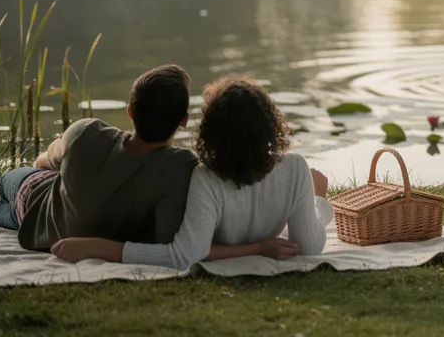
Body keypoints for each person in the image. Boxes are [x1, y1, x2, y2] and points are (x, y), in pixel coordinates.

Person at [50, 75, 333, 270]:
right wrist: (320, 201)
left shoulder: (205, 178)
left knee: (25, 181)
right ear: (270, 126)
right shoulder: (295, 168)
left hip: (54, 190)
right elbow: (310, 246)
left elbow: (183, 253)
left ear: (209, 132)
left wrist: (96, 246)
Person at [0, 64, 201, 251]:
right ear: (184, 120)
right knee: (23, 207)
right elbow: (167, 236)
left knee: (13, 181)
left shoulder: (86, 132)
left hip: (49, 220)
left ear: (130, 111)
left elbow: (42, 163)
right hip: (65, 227)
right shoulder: (183, 166)